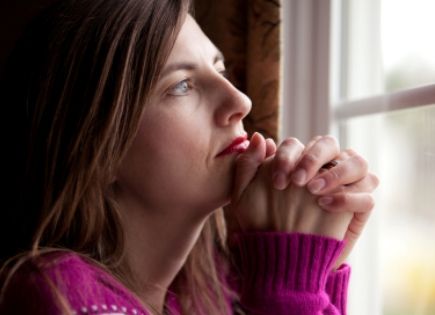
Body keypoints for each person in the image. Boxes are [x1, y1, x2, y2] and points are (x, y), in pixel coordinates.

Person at [0, 0, 378, 314]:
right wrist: (289, 290)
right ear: (97, 149)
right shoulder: (57, 291)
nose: (240, 102)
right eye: (182, 85)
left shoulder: (217, 291)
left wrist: (314, 267)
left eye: (220, 69)